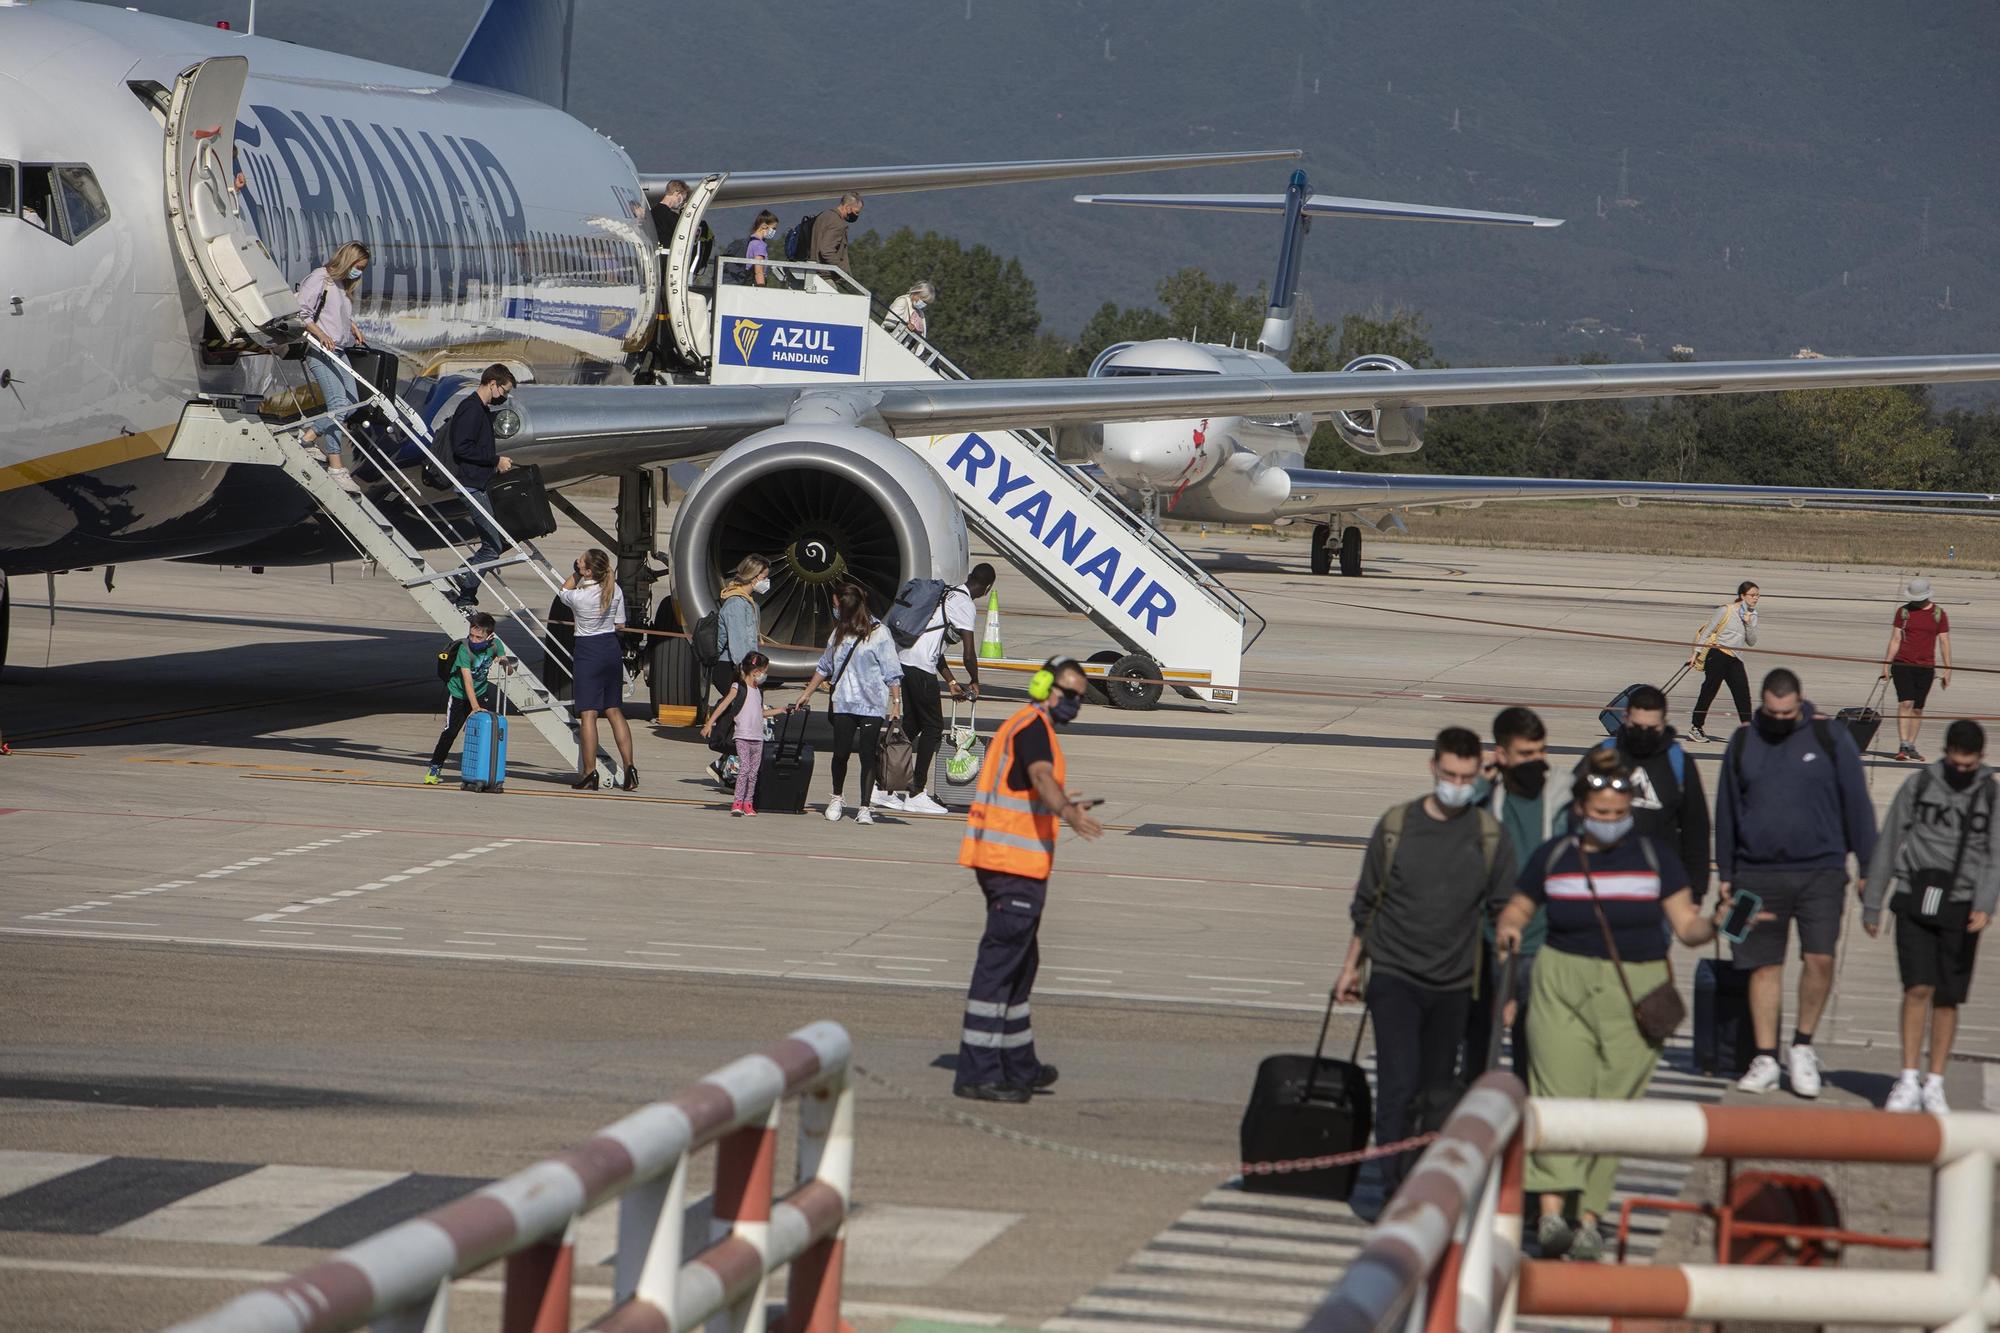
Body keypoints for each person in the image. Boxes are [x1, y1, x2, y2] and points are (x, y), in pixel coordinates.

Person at [1496, 749, 1723, 1262]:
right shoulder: (1553, 856)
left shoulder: (1652, 857)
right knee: (1559, 1098)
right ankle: (1552, 1211)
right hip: (1562, 983)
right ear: (1580, 809)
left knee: (1611, 1109)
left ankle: (1590, 1218)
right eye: (1601, 813)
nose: (1611, 823)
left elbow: (1687, 927)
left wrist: (1717, 922)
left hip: (1635, 990)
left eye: (1619, 814)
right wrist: (1509, 926)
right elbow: (1519, 906)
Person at [1335, 727, 1514, 1191]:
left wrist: (1508, 989)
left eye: (1466, 776)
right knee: (1397, 1084)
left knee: (1436, 1091)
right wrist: (1351, 966)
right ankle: (1395, 1186)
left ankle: (1422, 1176)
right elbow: (1366, 904)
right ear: (1433, 767)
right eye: (1450, 773)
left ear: (1480, 775)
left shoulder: (1489, 837)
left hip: (1454, 983)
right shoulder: (1397, 826)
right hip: (1394, 976)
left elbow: (1504, 915)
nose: (1456, 784)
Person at [1715, 667, 1877, 1098]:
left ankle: (1802, 1047)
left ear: (1800, 704)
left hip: (1821, 872)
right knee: (1761, 965)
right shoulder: (1745, 740)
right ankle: (1766, 1056)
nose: (1779, 721)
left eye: (1786, 713)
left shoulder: (1830, 739)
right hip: (1756, 872)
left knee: (1820, 958)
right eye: (1771, 712)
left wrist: (1869, 867)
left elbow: (1857, 804)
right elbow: (1727, 810)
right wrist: (1726, 875)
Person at [954, 656, 1104, 1101]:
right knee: (998, 970)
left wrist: (1061, 802)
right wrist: (1066, 811)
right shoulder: (1034, 728)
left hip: (1009, 864)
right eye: (1070, 695)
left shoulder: (1026, 724)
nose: (1075, 704)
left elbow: (1029, 786)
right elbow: (1039, 776)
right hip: (1010, 868)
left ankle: (1020, 1065)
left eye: (1081, 697)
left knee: (1021, 966)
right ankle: (977, 1073)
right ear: (1044, 687)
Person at [1862, 719, 1997, 1113]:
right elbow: (1889, 840)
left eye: (1968, 766)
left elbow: (1995, 853)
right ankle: (1906, 1077)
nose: (1960, 771)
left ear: (1981, 759)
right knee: (1916, 988)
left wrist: (1985, 904)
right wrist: (1873, 901)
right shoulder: (1920, 785)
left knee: (1947, 997)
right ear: (1945, 753)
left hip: (1961, 902)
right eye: (1955, 763)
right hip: (1914, 895)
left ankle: (1935, 1080)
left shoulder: (1990, 794)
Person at [1464, 708, 1553, 1080]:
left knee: (1532, 1055)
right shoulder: (1487, 801)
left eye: (1540, 752)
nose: (1536, 762)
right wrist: (1480, 788)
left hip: (1544, 941)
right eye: (1525, 754)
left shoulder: (1560, 797)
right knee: (1479, 1050)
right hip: (1488, 941)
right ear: (1501, 756)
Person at [880, 564, 994, 815]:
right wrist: (975, 680)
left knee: (911, 725)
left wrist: (952, 682)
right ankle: (916, 792)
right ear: (987, 588)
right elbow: (968, 653)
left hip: (905, 660)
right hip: (920, 667)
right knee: (932, 727)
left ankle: (883, 787)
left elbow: (935, 648)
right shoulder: (965, 604)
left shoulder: (946, 593)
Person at [1590, 684, 1711, 908]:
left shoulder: (1679, 763)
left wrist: (1696, 890)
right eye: (1637, 726)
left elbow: (1696, 829)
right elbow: (1572, 815)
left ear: (1663, 723)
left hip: (1659, 887)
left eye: (1651, 728)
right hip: (1603, 883)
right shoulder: (1602, 756)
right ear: (1625, 717)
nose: (1643, 734)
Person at [798, 584, 904, 824]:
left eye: (837, 605)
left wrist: (896, 702)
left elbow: (892, 671)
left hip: (871, 704)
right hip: (843, 702)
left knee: (868, 755)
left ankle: (864, 806)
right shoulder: (838, 634)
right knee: (841, 753)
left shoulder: (880, 633)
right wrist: (807, 692)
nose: (834, 610)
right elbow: (824, 666)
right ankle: (837, 796)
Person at [559, 549, 637, 792]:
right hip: (610, 649)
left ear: (589, 571)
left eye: (581, 561)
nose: (578, 562)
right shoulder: (614, 589)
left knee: (589, 714)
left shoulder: (580, 596)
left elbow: (563, 591)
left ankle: (589, 772)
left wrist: (575, 572)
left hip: (588, 651)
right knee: (614, 710)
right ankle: (630, 768)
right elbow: (620, 623)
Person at [295, 240, 372, 481]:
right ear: (347, 260)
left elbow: (333, 312)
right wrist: (321, 334)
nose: (358, 272)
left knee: (352, 401)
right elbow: (301, 312)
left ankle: (308, 436)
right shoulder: (321, 278)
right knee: (338, 403)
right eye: (357, 266)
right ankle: (335, 464)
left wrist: (353, 326)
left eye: (362, 268)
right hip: (320, 350)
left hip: (339, 350)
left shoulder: (342, 284)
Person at [442, 365, 517, 608]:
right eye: (504, 390)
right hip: (470, 485)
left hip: (478, 483)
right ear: (492, 383)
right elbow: (461, 447)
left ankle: (465, 594)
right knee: (493, 547)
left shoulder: (481, 410)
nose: (504, 396)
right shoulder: (472, 409)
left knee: (493, 544)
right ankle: (462, 579)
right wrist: (495, 460)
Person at [704, 555, 770, 786]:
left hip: (745, 669)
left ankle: (725, 766)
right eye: (764, 577)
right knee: (743, 719)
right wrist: (749, 679)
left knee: (745, 720)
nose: (766, 582)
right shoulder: (735, 605)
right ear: (753, 577)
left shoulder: (749, 603)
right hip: (732, 669)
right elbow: (739, 647)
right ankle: (728, 764)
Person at [703, 651, 788, 816]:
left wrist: (781, 710)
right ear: (756, 672)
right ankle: (738, 802)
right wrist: (709, 723)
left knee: (754, 772)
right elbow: (722, 706)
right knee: (745, 769)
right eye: (764, 671)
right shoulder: (738, 687)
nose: (765, 675)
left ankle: (748, 803)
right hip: (742, 735)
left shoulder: (758, 691)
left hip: (757, 737)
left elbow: (760, 714)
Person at [426, 612, 507, 783]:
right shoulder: (464, 649)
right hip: (459, 694)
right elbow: (467, 681)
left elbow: (506, 662)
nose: (474, 640)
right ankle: (434, 769)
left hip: (481, 692)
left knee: (486, 731)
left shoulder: (496, 645)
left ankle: (481, 770)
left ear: (489, 636)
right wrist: (475, 707)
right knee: (451, 732)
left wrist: (506, 663)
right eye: (472, 635)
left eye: (479, 637)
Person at [1881, 576, 1952, 762]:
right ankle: (1903, 745)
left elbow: (1944, 641)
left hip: (1926, 667)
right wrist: (1886, 665)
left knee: (1918, 709)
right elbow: (1895, 640)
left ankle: (1911, 745)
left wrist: (1948, 668)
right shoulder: (1903, 612)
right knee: (1906, 703)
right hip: (1903, 664)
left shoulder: (1939, 614)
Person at [1686, 581, 1759, 742]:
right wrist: (1695, 654)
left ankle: (1748, 730)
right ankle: (1696, 727)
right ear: (1742, 596)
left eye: (1757, 595)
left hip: (1735, 658)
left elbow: (1752, 641)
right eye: (1752, 595)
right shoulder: (1725, 610)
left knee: (1743, 694)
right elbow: (1707, 632)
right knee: (1709, 690)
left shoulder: (1752, 615)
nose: (1756, 598)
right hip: (1717, 654)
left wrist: (1748, 624)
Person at [810, 192, 863, 275]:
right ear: (848, 208)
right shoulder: (837, 223)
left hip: (812, 271)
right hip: (825, 275)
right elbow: (826, 251)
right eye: (856, 212)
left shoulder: (824, 216)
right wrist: (842, 270)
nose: (856, 215)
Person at [724, 210, 782, 287]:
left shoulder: (751, 242)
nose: (774, 231)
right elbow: (759, 271)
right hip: (754, 283)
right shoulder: (759, 245)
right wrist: (761, 288)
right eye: (773, 228)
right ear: (764, 225)